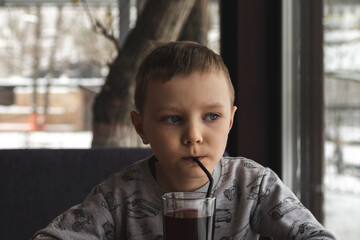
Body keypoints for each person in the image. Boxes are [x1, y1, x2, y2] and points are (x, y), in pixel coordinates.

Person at [32, 41, 336, 240]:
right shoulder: (117, 196)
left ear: (230, 120)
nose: (193, 136)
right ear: (141, 127)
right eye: (173, 119)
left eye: (212, 117)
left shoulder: (254, 185)